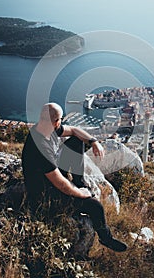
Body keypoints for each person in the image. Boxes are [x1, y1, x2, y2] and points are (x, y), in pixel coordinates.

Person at [22, 102, 127, 253]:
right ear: (57, 121)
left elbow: (74, 130)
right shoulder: (41, 148)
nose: (62, 123)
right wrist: (80, 193)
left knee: (77, 141)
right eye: (61, 120)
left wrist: (93, 142)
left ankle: (79, 180)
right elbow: (60, 183)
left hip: (50, 178)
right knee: (96, 207)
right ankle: (106, 238)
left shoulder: (45, 128)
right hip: (46, 195)